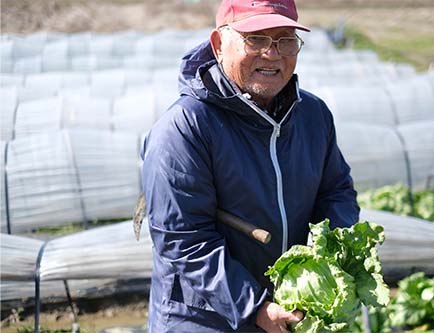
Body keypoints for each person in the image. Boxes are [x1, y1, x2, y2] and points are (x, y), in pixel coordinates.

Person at [140, 0, 360, 332]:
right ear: (219, 45)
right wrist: (254, 307)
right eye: (255, 38)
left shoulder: (313, 115)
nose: (272, 54)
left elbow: (337, 192)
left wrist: (328, 254)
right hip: (202, 318)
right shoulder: (185, 128)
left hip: (286, 311)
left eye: (285, 39)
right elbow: (184, 241)